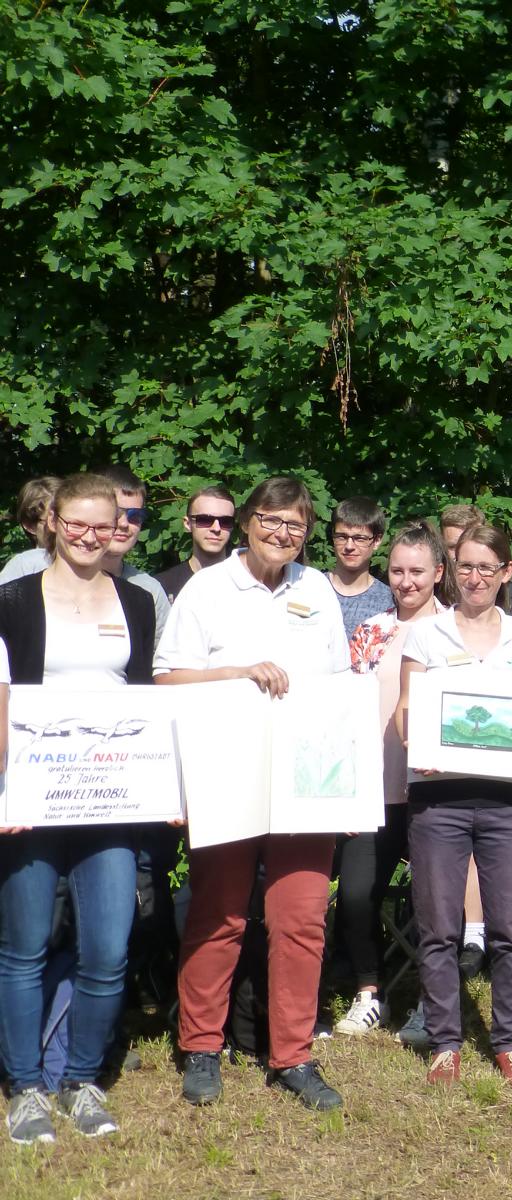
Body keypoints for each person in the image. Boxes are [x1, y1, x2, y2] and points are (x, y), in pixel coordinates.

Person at [155, 475, 350, 1112]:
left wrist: (343, 792)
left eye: (295, 524)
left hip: (304, 782)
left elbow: (340, 688)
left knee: (301, 919)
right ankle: (202, 1047)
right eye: (271, 519)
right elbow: (166, 678)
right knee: (219, 913)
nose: (281, 533)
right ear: (247, 522)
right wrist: (238, 674)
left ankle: (292, 1055)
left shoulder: (317, 588)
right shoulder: (208, 589)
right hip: (227, 776)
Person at [0, 473, 158, 1144]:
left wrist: (166, 790)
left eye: (107, 522)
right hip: (31, 802)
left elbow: (150, 701)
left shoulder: (138, 602)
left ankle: (82, 1079)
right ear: (54, 524)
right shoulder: (10, 600)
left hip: (113, 801)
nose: (93, 535)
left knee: (108, 950)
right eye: (79, 523)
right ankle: (27, 1087)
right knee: (24, 949)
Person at [397, 522, 512, 1086]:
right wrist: (418, 745)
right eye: (466, 566)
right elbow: (406, 712)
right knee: (438, 926)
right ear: (451, 570)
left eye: (488, 567)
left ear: (506, 572)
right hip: (439, 797)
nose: (476, 577)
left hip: (508, 800)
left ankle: (508, 1042)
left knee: (511, 926)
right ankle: (446, 1042)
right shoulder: (427, 634)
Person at [332, 521, 451, 1037]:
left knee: (434, 899)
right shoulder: (370, 632)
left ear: (438, 573)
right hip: (373, 789)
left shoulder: (455, 631)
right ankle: (367, 991)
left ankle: (433, 997)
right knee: (357, 895)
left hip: (433, 791)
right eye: (398, 571)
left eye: (417, 572)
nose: (406, 581)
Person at [0, 465, 170, 641]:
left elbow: (159, 663)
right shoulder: (29, 566)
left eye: (135, 515)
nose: (125, 523)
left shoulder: (147, 591)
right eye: (116, 513)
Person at [327, 496, 394, 639]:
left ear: (376, 541)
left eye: (359, 539)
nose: (349, 546)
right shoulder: (312, 587)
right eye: (342, 537)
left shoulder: (389, 601)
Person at [154, 486, 236, 601]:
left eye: (225, 522)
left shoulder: (249, 584)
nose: (216, 528)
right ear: (188, 524)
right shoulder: (161, 587)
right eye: (205, 520)